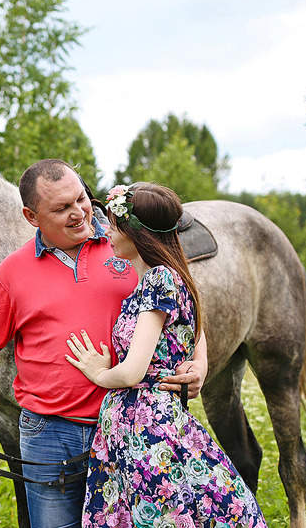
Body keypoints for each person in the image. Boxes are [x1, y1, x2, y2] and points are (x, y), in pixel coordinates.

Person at [0, 161, 208, 528]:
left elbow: (186, 303)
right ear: (31, 216)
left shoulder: (127, 249)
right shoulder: (12, 272)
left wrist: (200, 362)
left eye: (81, 200)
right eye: (61, 208)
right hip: (50, 436)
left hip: (126, 426)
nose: (78, 214)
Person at [65, 182, 266, 527]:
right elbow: (192, 331)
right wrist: (198, 361)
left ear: (135, 233)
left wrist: (98, 372)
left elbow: (131, 372)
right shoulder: (166, 278)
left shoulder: (159, 279)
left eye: (115, 225)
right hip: (139, 426)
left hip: (146, 429)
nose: (108, 232)